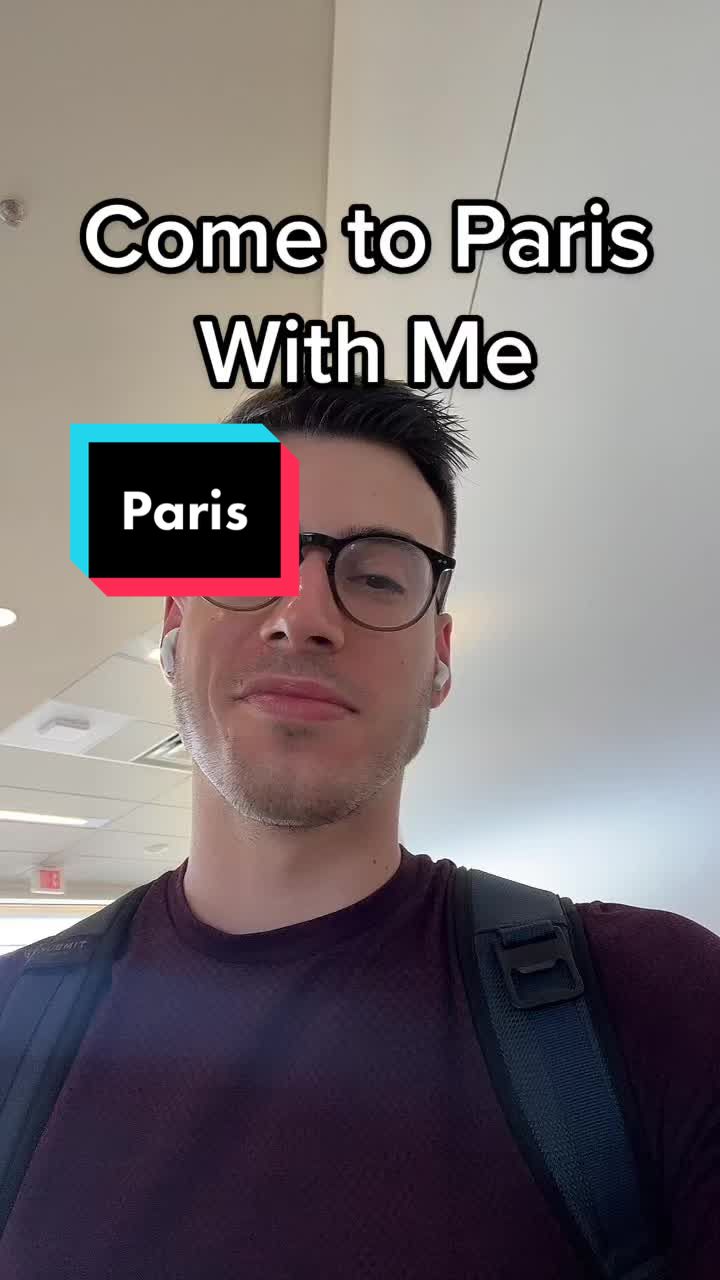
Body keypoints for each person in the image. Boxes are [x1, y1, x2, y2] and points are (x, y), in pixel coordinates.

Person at [0, 380, 718, 1279]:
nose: (303, 615)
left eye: (377, 577)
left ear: (440, 662)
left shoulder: (655, 1007)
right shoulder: (13, 1023)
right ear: (175, 627)